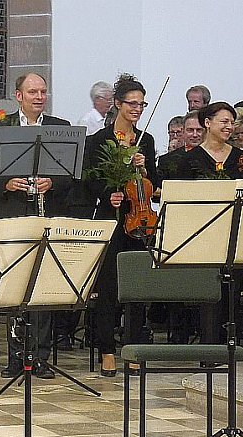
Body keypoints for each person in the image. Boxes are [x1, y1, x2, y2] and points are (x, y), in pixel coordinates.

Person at [0, 72, 72, 379]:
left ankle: (41, 356)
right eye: (33, 91)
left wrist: (52, 182)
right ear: (18, 96)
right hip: (11, 215)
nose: (39, 96)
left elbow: (72, 177)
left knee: (42, 287)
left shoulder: (60, 128)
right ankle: (16, 356)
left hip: (46, 214)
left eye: (43, 91)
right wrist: (7, 184)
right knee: (14, 284)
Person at [82, 74, 158, 377]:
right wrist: (107, 194)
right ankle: (107, 351)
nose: (137, 109)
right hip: (110, 219)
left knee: (137, 289)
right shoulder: (99, 140)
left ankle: (135, 348)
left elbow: (155, 182)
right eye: (132, 103)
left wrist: (144, 167)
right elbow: (88, 180)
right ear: (117, 104)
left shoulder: (146, 140)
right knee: (109, 289)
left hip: (139, 219)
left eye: (142, 104)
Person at [177, 102, 243, 180]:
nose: (230, 127)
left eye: (232, 123)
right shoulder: (190, 158)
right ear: (207, 123)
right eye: (224, 122)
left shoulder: (240, 156)